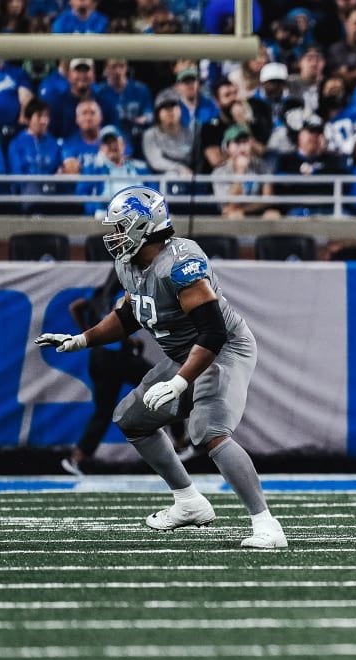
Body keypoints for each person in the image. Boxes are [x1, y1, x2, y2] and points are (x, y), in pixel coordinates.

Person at [34, 185, 287, 549]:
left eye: (121, 227)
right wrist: (80, 339)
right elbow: (128, 314)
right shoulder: (129, 264)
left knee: (208, 430)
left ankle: (267, 524)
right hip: (187, 354)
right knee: (132, 419)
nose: (114, 236)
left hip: (223, 349)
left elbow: (213, 333)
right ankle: (188, 502)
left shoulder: (180, 264)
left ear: (143, 226)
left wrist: (181, 383)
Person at [58, 271, 192, 476]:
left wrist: (87, 333)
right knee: (166, 384)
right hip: (118, 357)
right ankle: (180, 442)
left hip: (99, 357)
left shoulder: (98, 294)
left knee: (103, 412)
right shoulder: (124, 292)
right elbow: (116, 320)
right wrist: (130, 341)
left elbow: (75, 307)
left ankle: (76, 458)